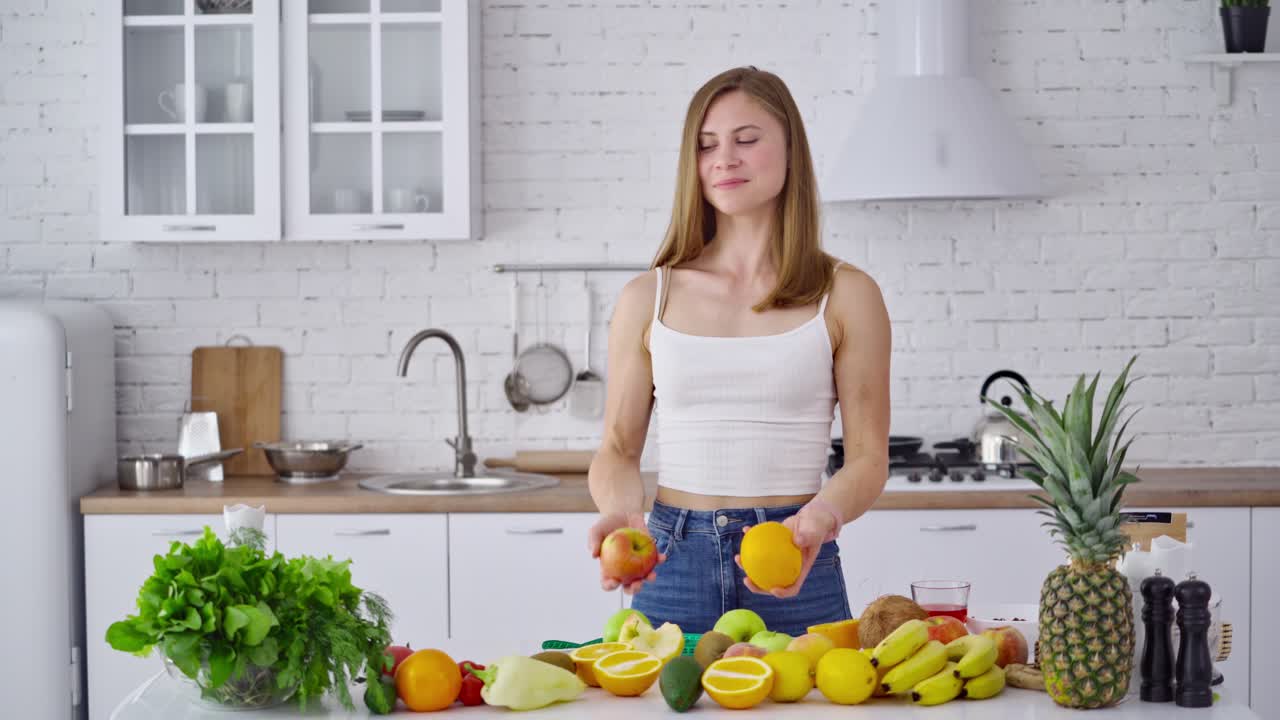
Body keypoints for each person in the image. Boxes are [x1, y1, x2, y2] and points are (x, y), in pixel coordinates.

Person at [586, 66, 891, 638]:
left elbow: (869, 459)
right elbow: (618, 450)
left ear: (791, 150)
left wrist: (822, 518)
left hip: (795, 553)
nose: (724, 159)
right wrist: (620, 514)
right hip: (671, 559)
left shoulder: (848, 295)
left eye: (746, 139)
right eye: (706, 146)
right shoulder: (646, 297)